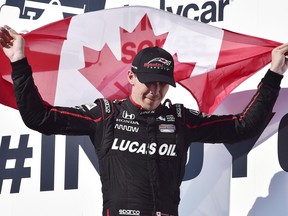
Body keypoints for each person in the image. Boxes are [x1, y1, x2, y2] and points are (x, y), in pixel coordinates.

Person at [1, 25, 288, 216]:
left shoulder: (179, 119)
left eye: (162, 84)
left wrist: (274, 73)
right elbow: (39, 117)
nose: (155, 90)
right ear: (131, 77)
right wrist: (18, 62)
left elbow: (244, 126)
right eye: (149, 82)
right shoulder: (105, 114)